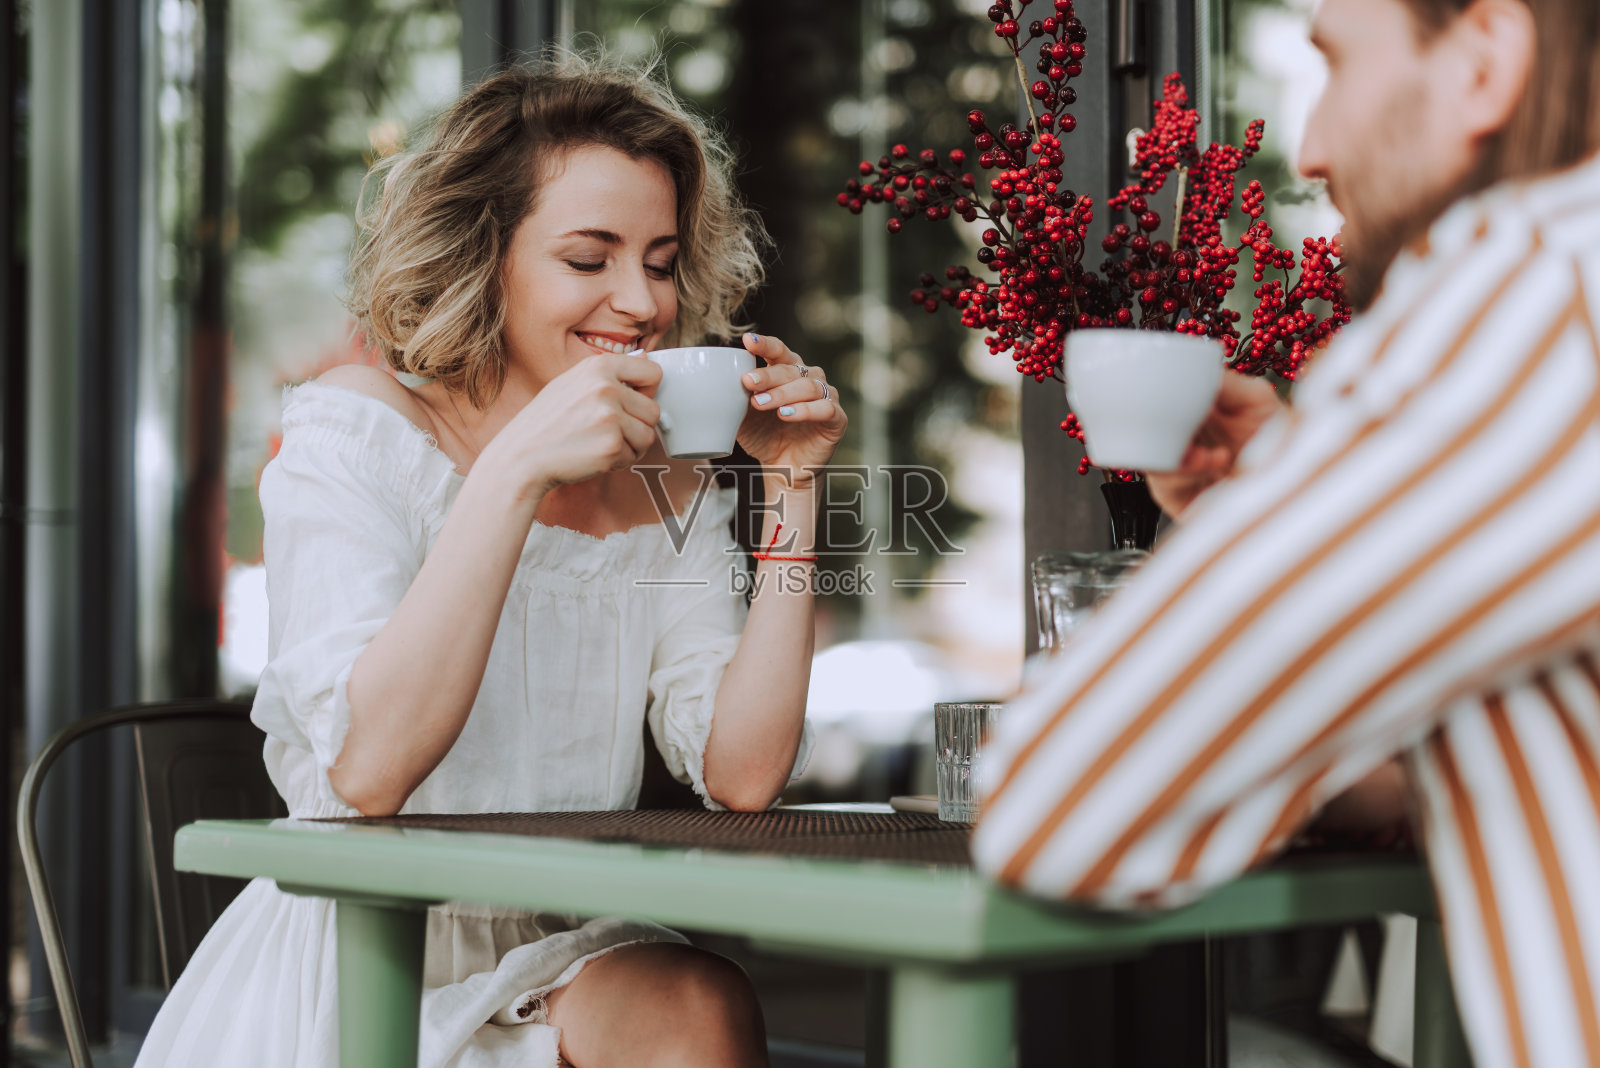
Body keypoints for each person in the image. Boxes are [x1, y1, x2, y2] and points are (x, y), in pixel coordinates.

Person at [136, 51, 845, 1068]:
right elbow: (368, 774)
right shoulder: (357, 433)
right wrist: (513, 470)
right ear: (487, 255)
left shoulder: (669, 480)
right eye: (588, 258)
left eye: (657, 259)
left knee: (700, 1005)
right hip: (363, 956)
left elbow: (742, 773)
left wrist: (792, 488)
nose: (640, 303)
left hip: (571, 951)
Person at [972, 0, 1600, 1065]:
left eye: (1338, 62)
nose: (1309, 149)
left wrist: (1287, 504)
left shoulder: (1536, 283)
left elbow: (1055, 802)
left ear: (1484, 61)